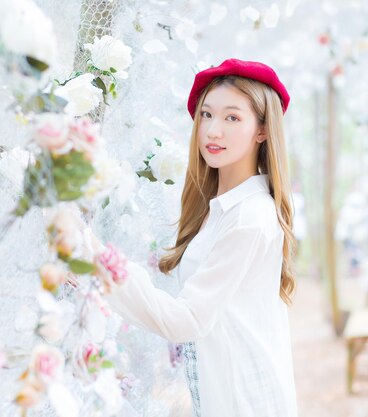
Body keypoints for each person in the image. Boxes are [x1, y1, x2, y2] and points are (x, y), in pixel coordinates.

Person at [92, 58, 298, 417]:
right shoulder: (221, 210)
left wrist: (99, 263)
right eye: (207, 115)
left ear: (262, 130)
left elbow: (186, 320)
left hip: (246, 403)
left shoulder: (249, 217)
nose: (213, 131)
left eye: (232, 117)